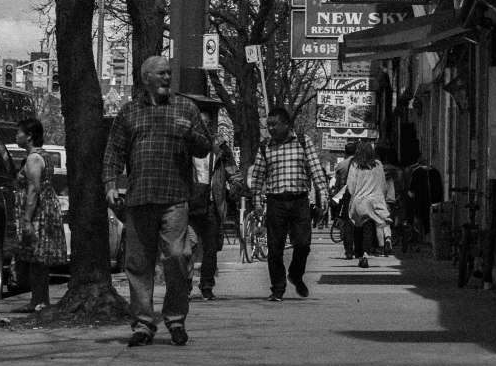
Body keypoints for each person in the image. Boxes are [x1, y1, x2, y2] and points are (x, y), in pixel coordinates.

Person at [103, 55, 211, 347]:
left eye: (169, 73)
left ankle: (175, 320)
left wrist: (191, 134)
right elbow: (114, 151)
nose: (167, 78)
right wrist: (111, 184)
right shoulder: (129, 112)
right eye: (161, 73)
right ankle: (143, 325)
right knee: (138, 265)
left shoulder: (185, 108)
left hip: (174, 198)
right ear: (145, 78)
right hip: (139, 198)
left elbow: (204, 148)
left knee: (176, 257)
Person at [250, 105, 330, 301]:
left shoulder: (303, 141)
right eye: (268, 125)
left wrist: (323, 193)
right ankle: (277, 289)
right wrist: (257, 201)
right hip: (276, 202)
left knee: (303, 244)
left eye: (274, 124)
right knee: (275, 248)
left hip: (299, 201)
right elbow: (258, 176)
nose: (271, 128)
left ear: (287, 124)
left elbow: (315, 168)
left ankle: (295, 274)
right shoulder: (265, 147)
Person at [14, 117, 67, 312]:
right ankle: (40, 300)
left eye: (19, 132)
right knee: (38, 259)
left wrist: (27, 219)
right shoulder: (41, 155)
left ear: (29, 136)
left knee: (36, 258)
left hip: (38, 214)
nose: (16, 136)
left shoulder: (34, 158)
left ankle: (38, 301)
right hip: (43, 210)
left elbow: (34, 189)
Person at [187, 136, 245, 300]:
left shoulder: (222, 150)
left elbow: (234, 174)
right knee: (188, 247)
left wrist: (235, 188)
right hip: (189, 205)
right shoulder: (185, 145)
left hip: (212, 205)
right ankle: (185, 286)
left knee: (211, 249)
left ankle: (206, 286)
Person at [346, 139, 391, 268]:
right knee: (369, 227)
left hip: (359, 201)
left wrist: (354, 195)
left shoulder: (355, 165)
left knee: (358, 227)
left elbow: (350, 185)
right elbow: (383, 184)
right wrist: (382, 197)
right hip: (374, 201)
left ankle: (359, 254)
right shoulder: (378, 165)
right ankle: (366, 253)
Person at [330, 139, 357, 259]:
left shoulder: (341, 165)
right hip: (358, 195)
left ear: (345, 152)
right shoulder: (360, 164)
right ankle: (359, 249)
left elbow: (337, 185)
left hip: (344, 196)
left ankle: (349, 251)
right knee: (359, 224)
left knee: (347, 225)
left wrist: (336, 199)